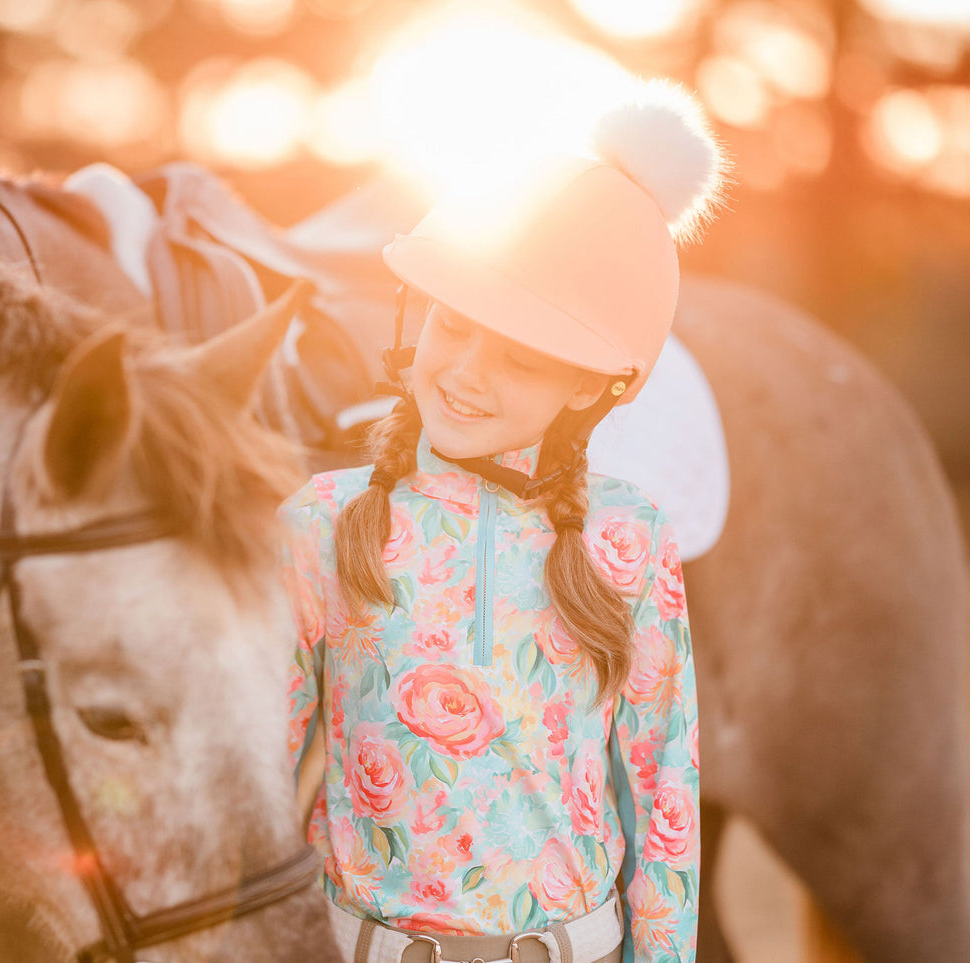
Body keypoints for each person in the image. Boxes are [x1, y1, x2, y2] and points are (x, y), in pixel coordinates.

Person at [279, 79, 729, 963]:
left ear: (589, 389)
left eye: (519, 358)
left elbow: (664, 793)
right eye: (452, 326)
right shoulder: (319, 522)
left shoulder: (627, 538)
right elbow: (248, 771)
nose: (465, 374)